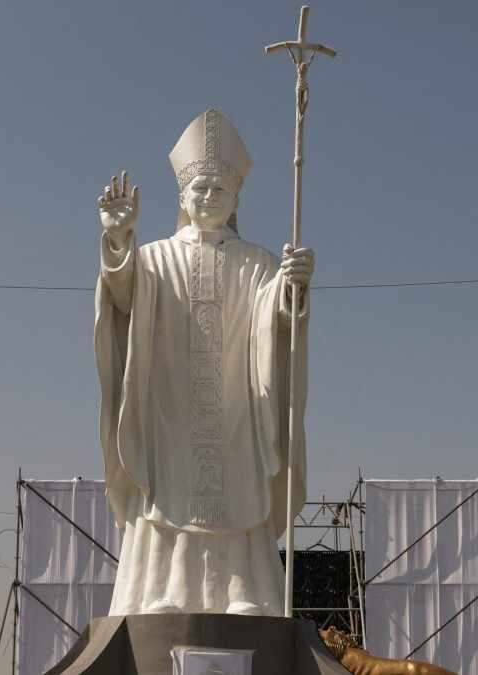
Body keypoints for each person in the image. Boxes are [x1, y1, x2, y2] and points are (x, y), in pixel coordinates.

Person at [95, 109, 314, 616]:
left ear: (236, 199)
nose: (209, 198)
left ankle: (244, 590)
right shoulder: (153, 256)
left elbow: (275, 317)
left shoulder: (259, 261)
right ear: (181, 196)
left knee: (237, 488)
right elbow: (124, 296)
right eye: (200, 189)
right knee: (167, 492)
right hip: (170, 403)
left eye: (220, 190)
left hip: (235, 405)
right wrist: (118, 241)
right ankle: (163, 591)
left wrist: (292, 286)